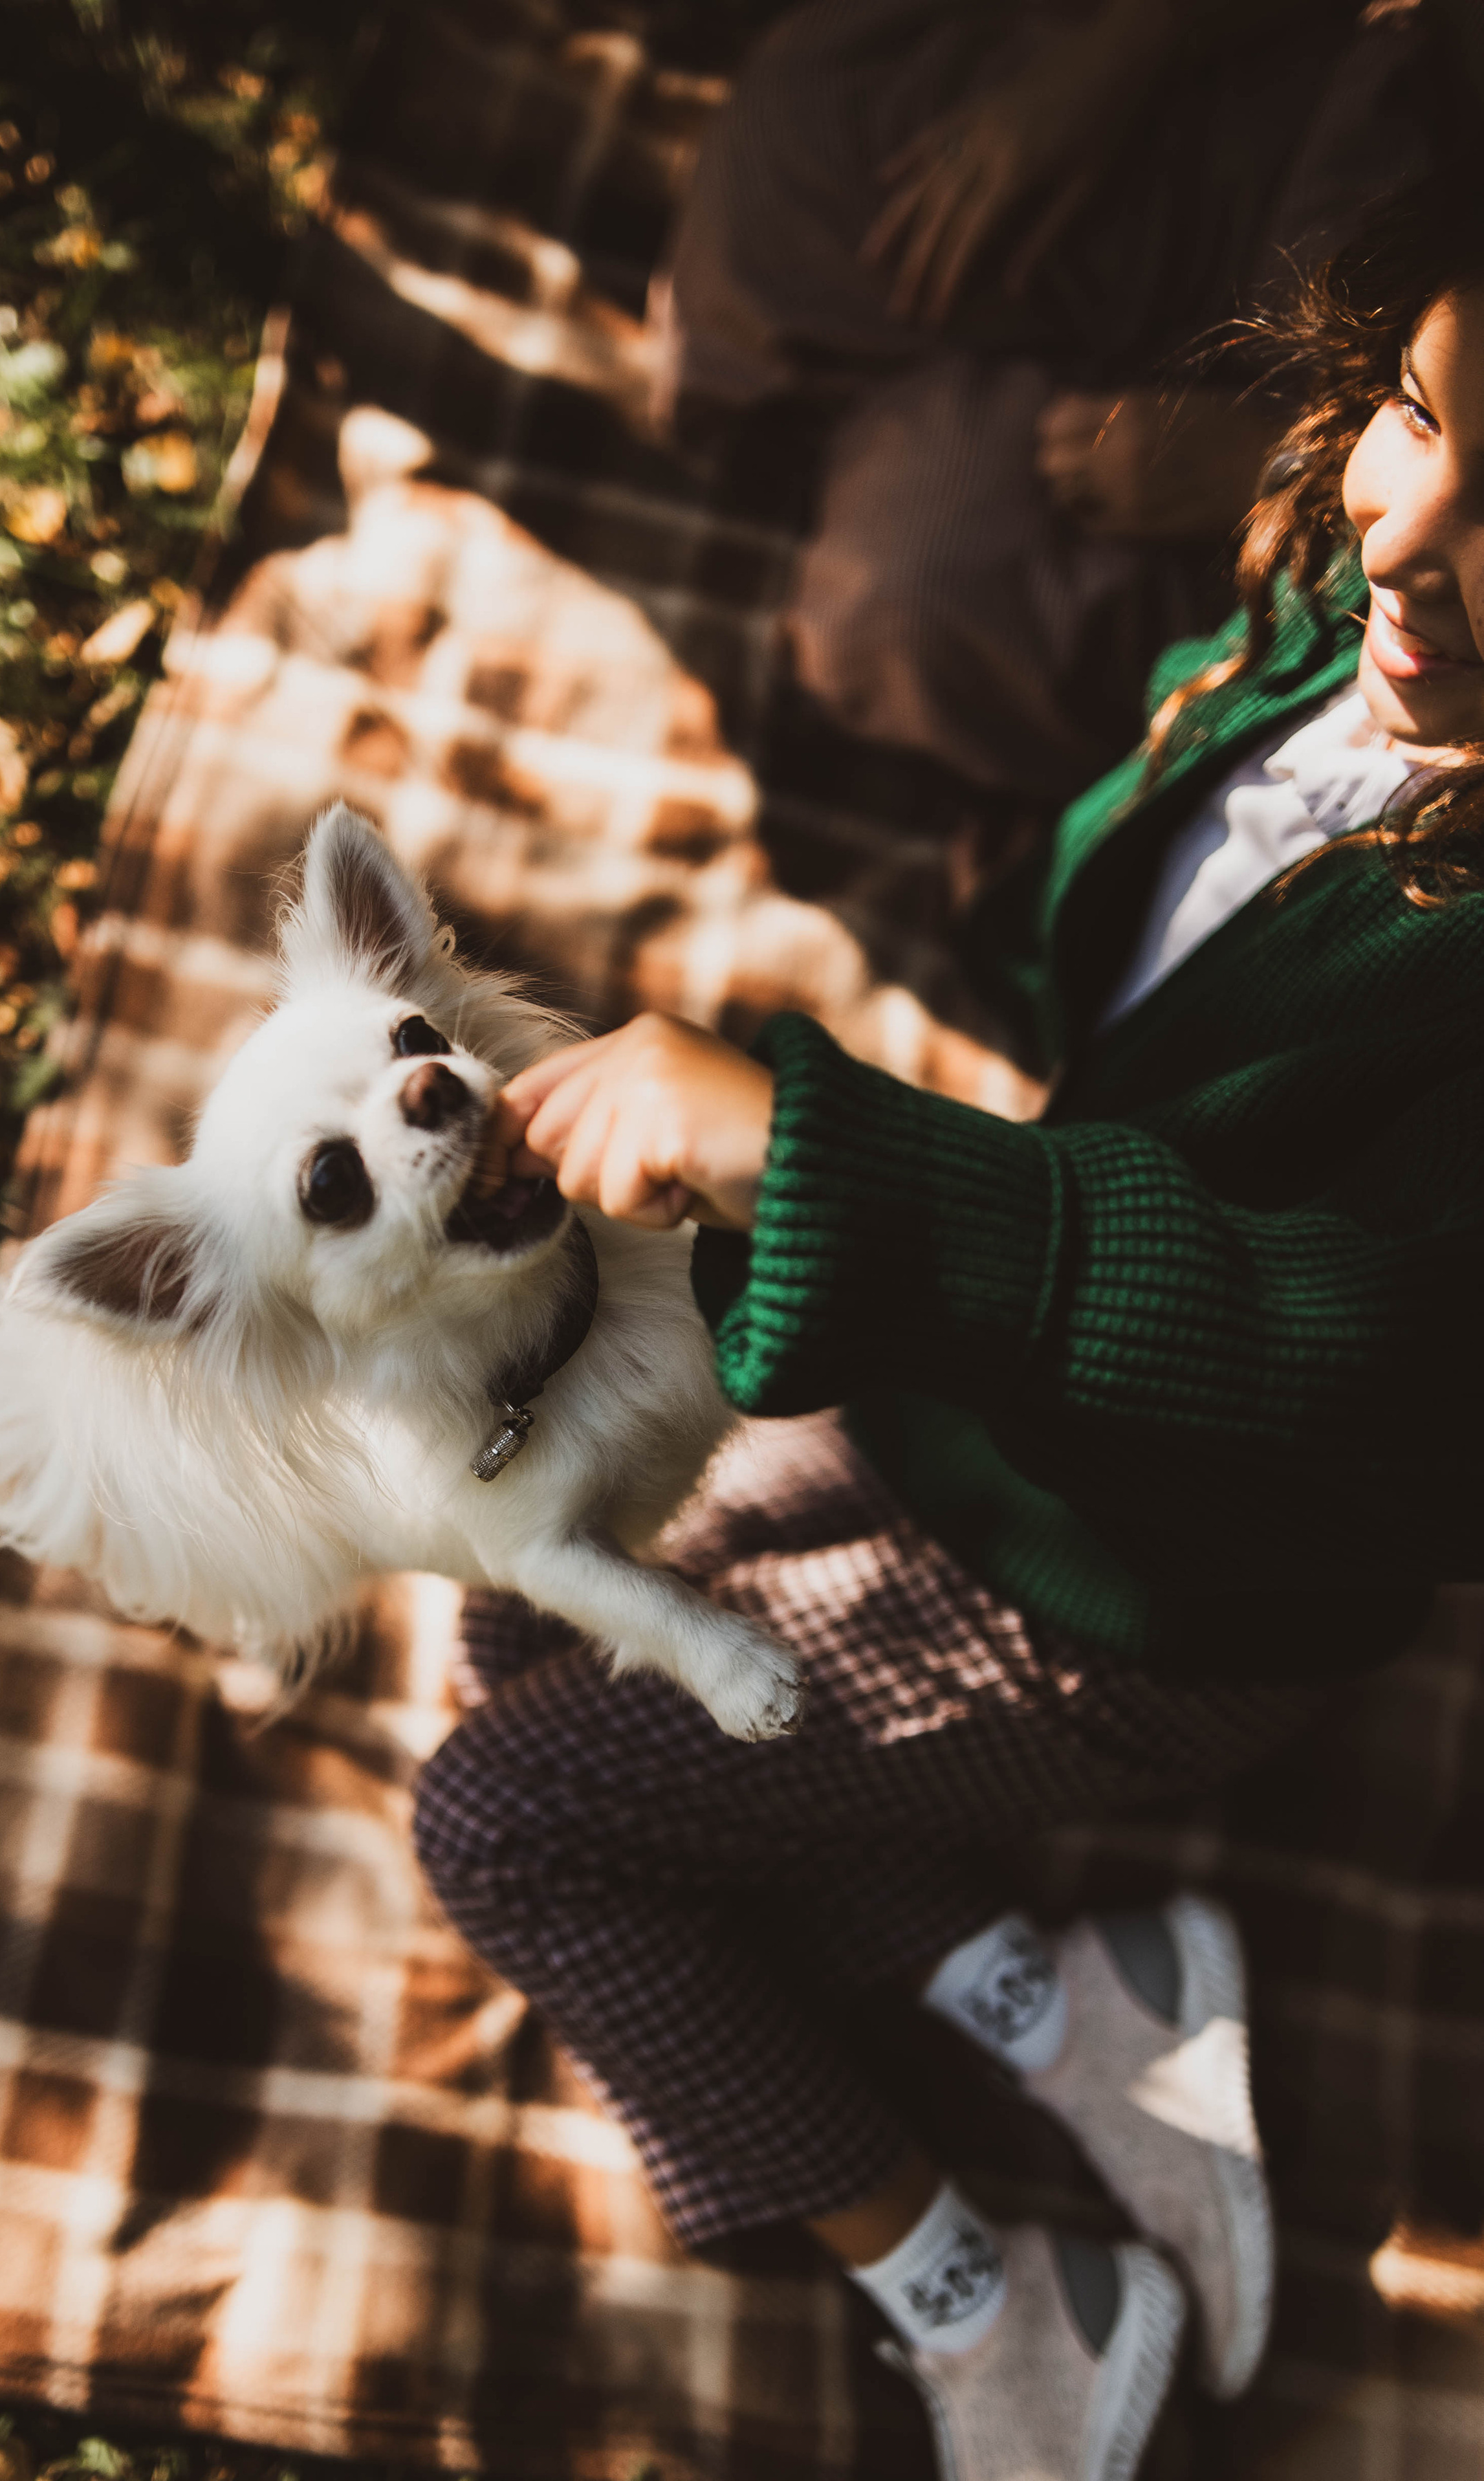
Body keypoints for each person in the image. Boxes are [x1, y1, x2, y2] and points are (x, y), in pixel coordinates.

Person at [413, 178, 1484, 2479]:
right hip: (988, 1415)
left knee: (506, 1826)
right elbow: (1158, 926)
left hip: (1147, 1581)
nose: (1405, 541)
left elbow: (1354, 1348)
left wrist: (822, 1158)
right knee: (533, 1621)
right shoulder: (1346, 626)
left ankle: (994, 2305)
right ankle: (1065, 2001)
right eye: (1406, 414)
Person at [654, 0, 1443, 803]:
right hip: (1338, 136)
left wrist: (1264, 461)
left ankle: (889, 439)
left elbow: (1416, 527)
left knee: (905, 610)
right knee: (791, 141)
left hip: (1305, 482)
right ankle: (875, 419)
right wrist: (1112, 59)